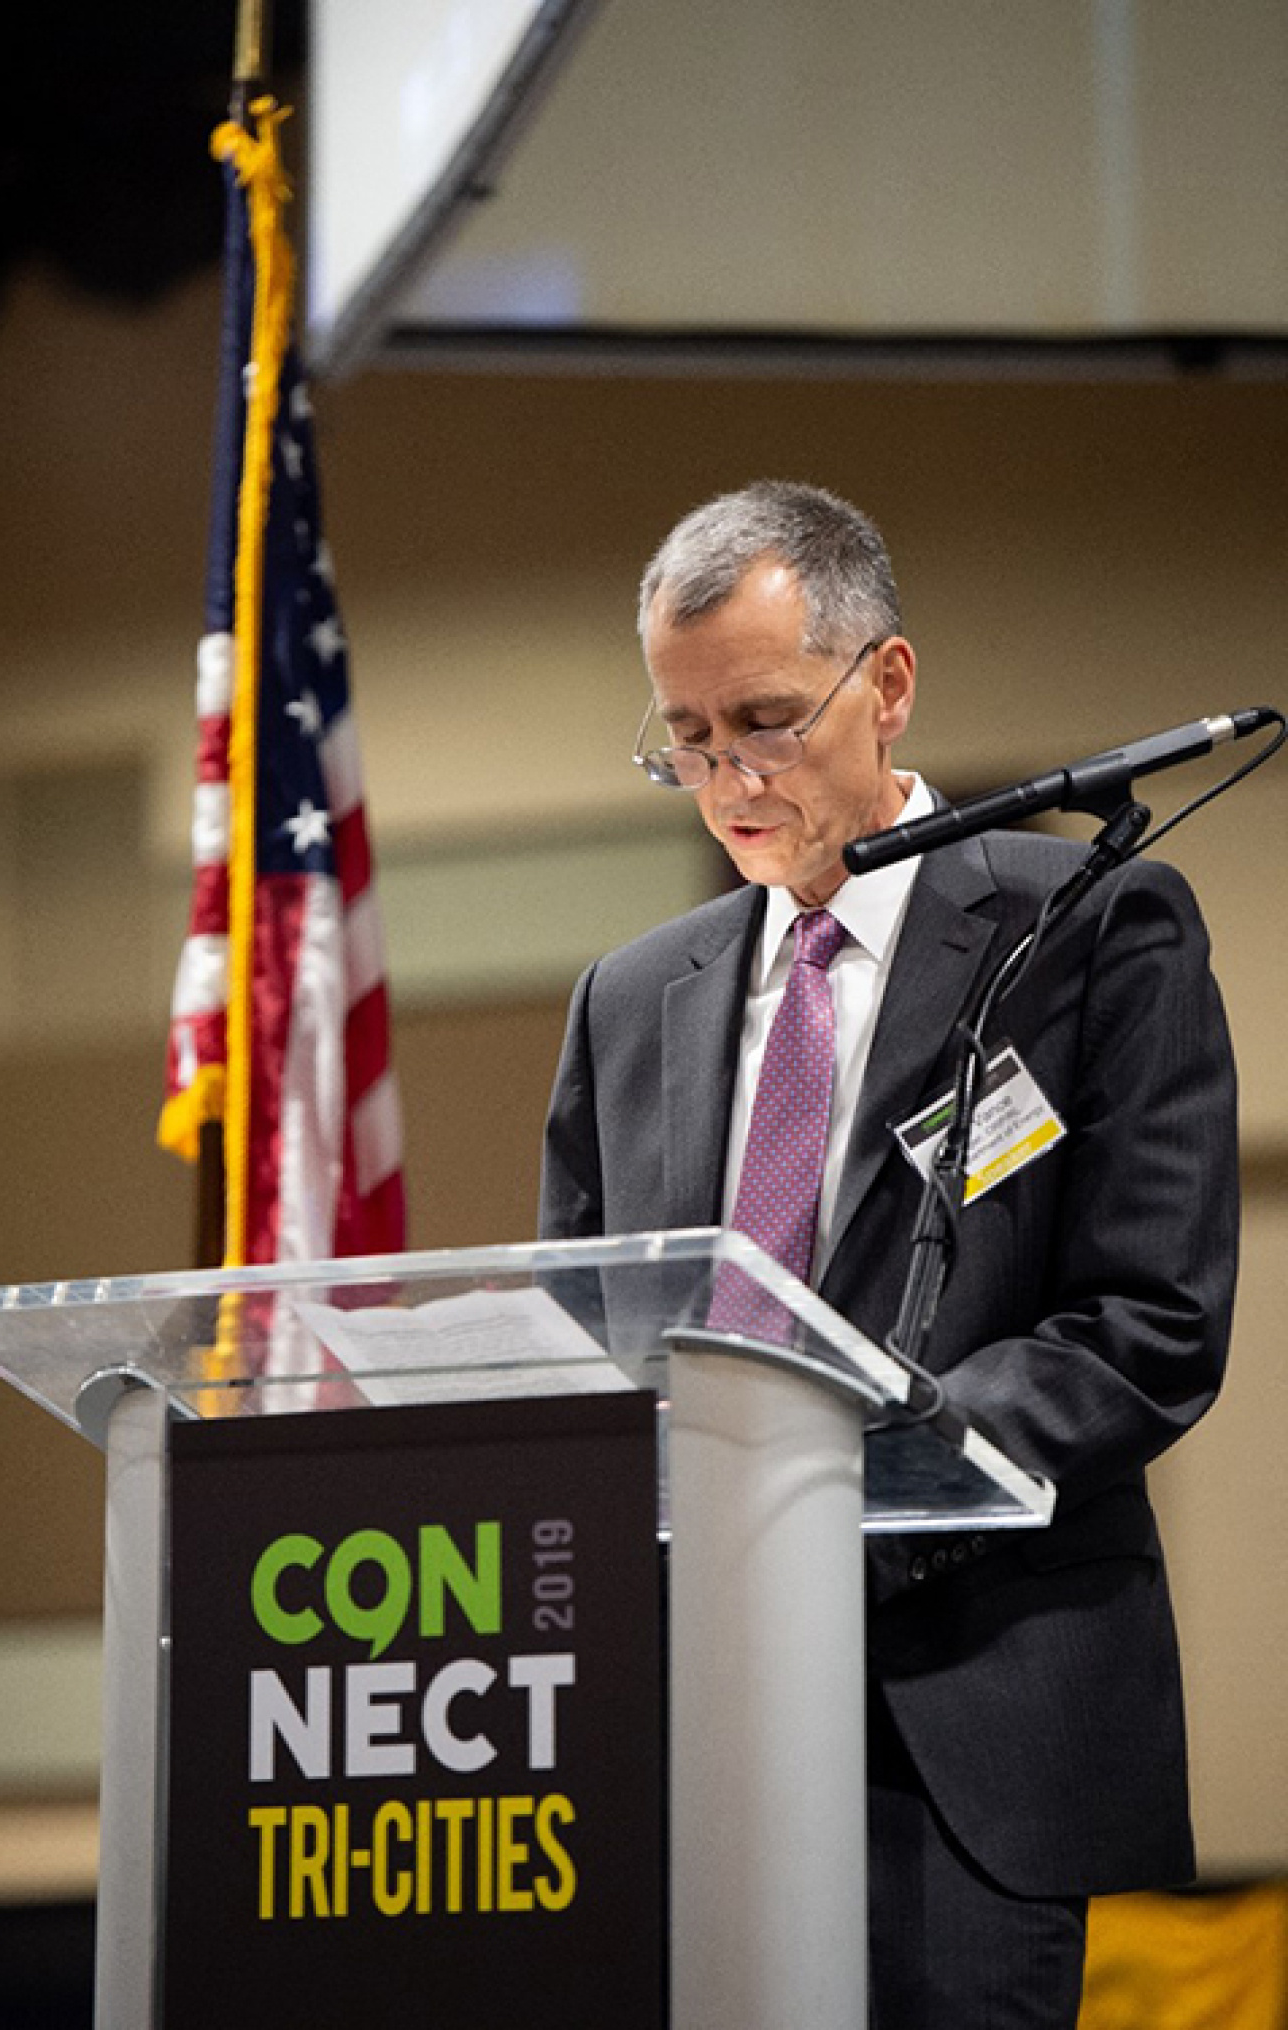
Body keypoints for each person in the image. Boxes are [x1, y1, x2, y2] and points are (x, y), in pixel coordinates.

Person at [539, 481, 1239, 2028]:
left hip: (951, 1713)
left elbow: (1148, 1320)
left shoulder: (1087, 929)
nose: (728, 777)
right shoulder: (627, 996)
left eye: (768, 720)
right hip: (681, 1726)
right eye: (688, 738)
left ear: (889, 683)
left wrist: (841, 1486)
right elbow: (585, 1334)